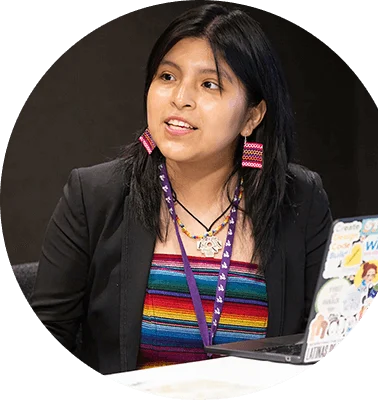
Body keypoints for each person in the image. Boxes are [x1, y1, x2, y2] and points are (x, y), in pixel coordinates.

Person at [30, 3, 333, 375]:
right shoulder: (94, 195)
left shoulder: (299, 199)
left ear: (252, 117)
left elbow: (324, 339)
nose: (180, 98)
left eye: (209, 84)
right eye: (167, 77)